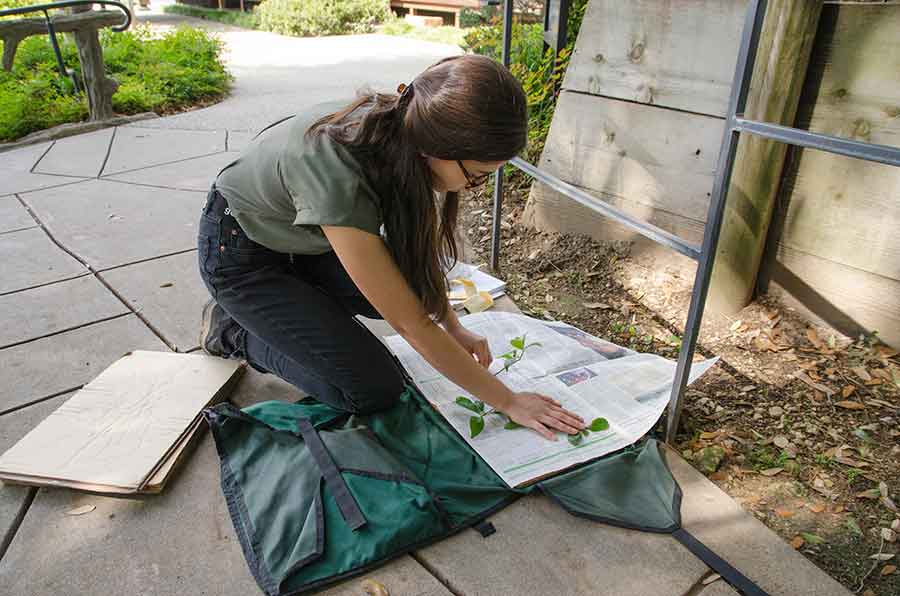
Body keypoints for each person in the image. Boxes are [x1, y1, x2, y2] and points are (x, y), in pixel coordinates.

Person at [197, 54, 585, 441]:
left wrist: (454, 327)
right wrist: (509, 401)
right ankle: (232, 329)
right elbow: (410, 323)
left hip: (303, 242)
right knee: (372, 387)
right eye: (478, 176)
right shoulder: (340, 171)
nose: (472, 187)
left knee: (409, 296)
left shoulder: (408, 126)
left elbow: (415, 264)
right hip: (240, 253)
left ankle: (298, 307)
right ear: (438, 149)